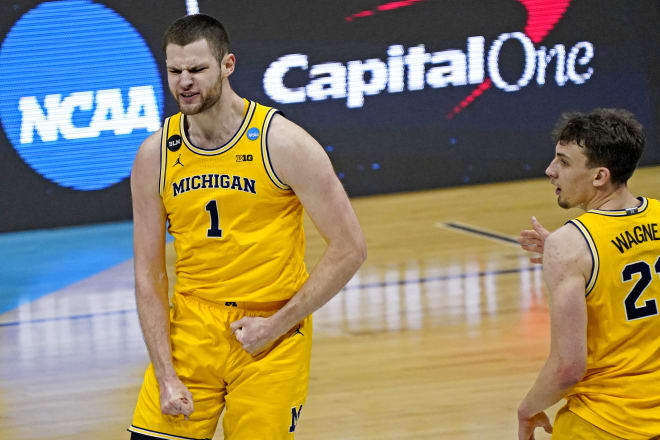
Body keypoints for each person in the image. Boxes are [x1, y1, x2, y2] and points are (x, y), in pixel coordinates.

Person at [127, 14, 366, 440]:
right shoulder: (155, 156)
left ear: (227, 65)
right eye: (175, 70)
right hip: (192, 333)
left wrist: (274, 326)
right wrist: (164, 373)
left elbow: (350, 248)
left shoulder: (284, 144)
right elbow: (148, 273)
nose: (184, 82)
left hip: (271, 334)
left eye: (197, 69)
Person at [516, 108, 660, 439]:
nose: (550, 171)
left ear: (599, 176)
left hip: (606, 423)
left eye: (564, 162)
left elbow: (568, 367)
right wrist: (571, 254)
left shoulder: (572, 245)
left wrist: (527, 409)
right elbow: (631, 259)